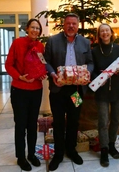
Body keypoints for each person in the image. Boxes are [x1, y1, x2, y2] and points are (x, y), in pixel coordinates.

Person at [44, 13, 94, 171]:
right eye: (68, 23)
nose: (71, 26)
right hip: (58, 90)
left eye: (74, 23)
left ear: (77, 25)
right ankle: (58, 154)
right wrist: (52, 74)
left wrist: (88, 72)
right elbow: (46, 62)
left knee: (74, 120)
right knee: (58, 121)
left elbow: (91, 62)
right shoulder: (52, 41)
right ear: (63, 25)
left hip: (76, 90)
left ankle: (71, 150)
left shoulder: (85, 43)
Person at [5, 19, 46, 171]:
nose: (35, 30)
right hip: (20, 89)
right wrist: (19, 76)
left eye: (38, 28)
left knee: (32, 124)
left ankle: (32, 154)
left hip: (36, 90)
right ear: (27, 29)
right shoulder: (17, 43)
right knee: (21, 125)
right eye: (33, 27)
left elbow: (42, 64)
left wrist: (42, 74)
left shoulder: (41, 46)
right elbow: (8, 64)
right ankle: (21, 157)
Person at [91, 23, 119, 167]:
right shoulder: (95, 51)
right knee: (102, 122)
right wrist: (97, 78)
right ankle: (104, 149)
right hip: (102, 91)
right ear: (99, 34)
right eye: (102, 31)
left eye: (107, 30)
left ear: (111, 32)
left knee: (115, 120)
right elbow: (92, 69)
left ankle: (112, 144)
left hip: (117, 90)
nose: (105, 33)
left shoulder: (118, 48)